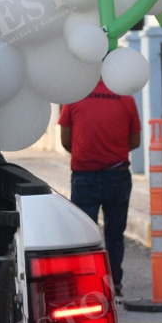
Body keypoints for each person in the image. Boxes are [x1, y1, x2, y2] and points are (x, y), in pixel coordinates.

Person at [59, 81, 142, 297]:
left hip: (83, 175)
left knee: (84, 235)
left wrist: (86, 153)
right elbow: (134, 141)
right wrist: (113, 152)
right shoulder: (126, 98)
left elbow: (66, 140)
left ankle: (86, 286)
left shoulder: (74, 95)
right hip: (117, 175)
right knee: (115, 235)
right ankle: (114, 286)